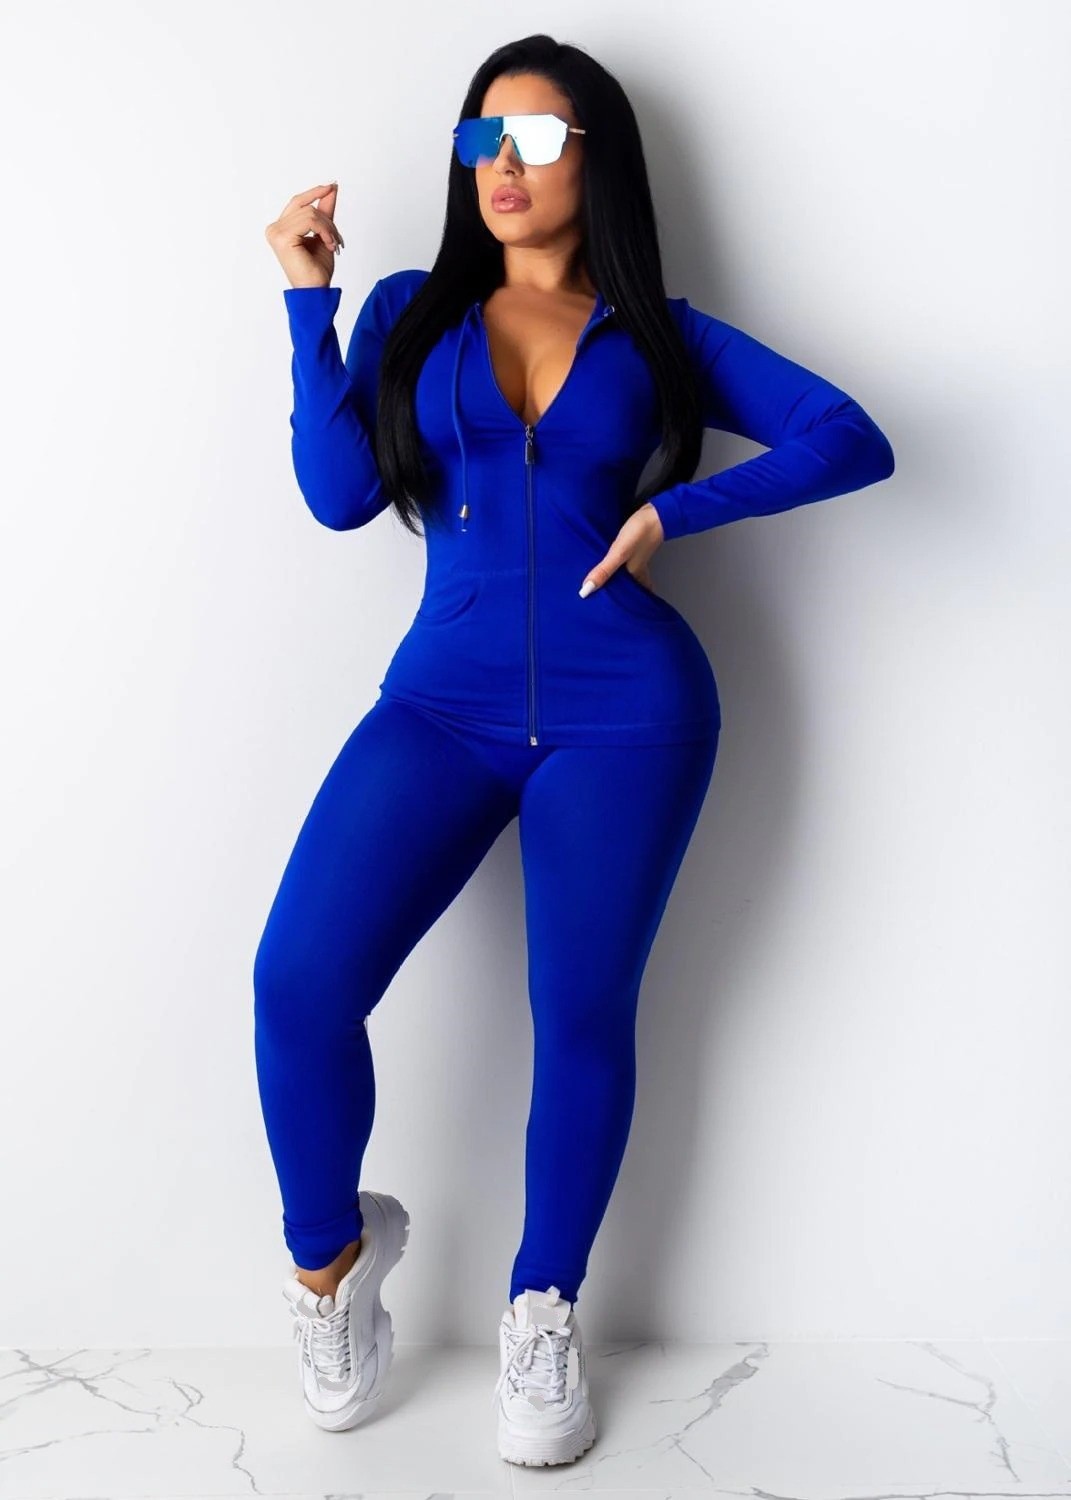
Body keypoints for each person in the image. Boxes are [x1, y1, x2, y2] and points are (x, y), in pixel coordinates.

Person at [256, 34, 895, 1468]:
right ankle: (329, 1268)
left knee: (582, 1016)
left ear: (594, 159)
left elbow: (849, 435)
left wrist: (679, 514)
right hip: (440, 708)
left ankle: (543, 1312)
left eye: (536, 139)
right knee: (298, 985)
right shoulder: (412, 310)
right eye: (481, 140)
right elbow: (339, 495)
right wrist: (309, 304)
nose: (503, 166)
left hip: (631, 715)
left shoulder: (661, 334)